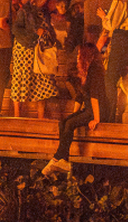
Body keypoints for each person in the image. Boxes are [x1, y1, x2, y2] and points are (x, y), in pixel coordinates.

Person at [41, 42, 103, 176]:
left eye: (80, 54)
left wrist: (97, 119)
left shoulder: (95, 70)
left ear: (86, 55)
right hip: (88, 109)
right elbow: (80, 96)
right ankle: (63, 160)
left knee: (69, 124)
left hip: (96, 109)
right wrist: (74, 115)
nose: (77, 57)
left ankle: (57, 158)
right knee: (63, 123)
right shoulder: (85, 72)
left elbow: (95, 96)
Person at [8, 0, 59, 117]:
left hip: (38, 49)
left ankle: (40, 117)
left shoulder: (43, 12)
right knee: (21, 80)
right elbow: (16, 29)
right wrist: (35, 33)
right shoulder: (25, 11)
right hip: (24, 50)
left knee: (41, 80)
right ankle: (17, 116)